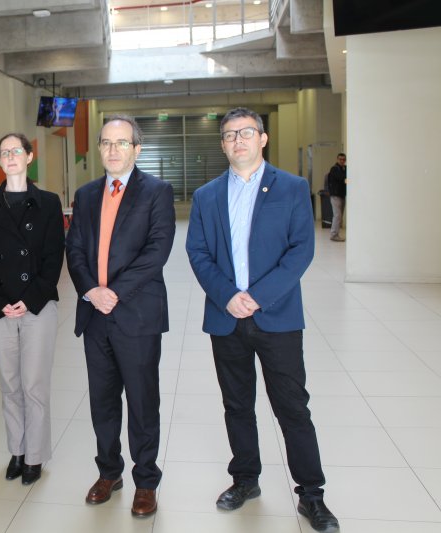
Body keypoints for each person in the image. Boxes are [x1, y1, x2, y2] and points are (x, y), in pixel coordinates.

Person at [185, 107, 339, 532]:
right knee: (237, 405)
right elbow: (197, 252)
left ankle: (311, 494)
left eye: (246, 132)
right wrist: (228, 297)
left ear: (262, 138)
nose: (238, 140)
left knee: (292, 407)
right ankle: (245, 480)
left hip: (277, 316)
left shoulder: (292, 187)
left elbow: (301, 250)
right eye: (230, 135)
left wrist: (257, 297)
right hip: (226, 318)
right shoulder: (207, 196)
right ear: (222, 144)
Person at [66, 115, 175, 518]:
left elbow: (157, 250)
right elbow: (75, 248)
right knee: (103, 401)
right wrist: (91, 290)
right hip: (95, 315)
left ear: (137, 149)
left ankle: (146, 480)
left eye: (122, 143)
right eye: (106, 143)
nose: (113, 150)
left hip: (137, 314)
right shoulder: (86, 195)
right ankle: (109, 472)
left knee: (143, 402)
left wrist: (114, 291)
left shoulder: (157, 191)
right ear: (99, 149)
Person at [0, 133, 65, 486]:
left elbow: (55, 256)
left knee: (34, 385)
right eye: (4, 152)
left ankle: (35, 456)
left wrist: (30, 297)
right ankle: (17, 450)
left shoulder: (49, 203)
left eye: (16, 151)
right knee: (10, 384)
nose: (10, 157)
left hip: (37, 305)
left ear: (29, 156)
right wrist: (0, 301)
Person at [327, 153, 347, 242]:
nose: (342, 161)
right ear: (337, 159)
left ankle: (336, 234)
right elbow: (341, 177)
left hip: (342, 195)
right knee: (337, 215)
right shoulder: (334, 169)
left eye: (343, 159)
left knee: (339, 216)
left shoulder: (345, 169)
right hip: (335, 196)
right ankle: (334, 235)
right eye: (340, 159)